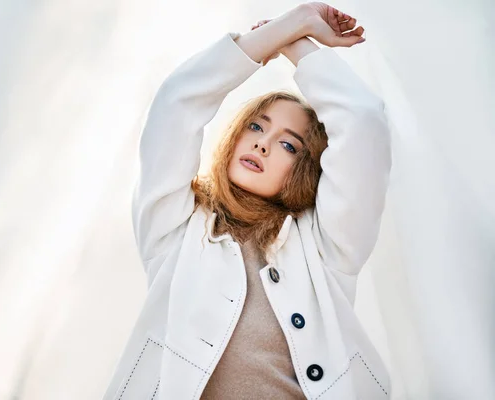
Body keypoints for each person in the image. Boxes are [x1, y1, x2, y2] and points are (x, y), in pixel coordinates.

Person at [104, 2, 392, 399]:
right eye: (256, 125)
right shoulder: (174, 230)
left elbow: (362, 123)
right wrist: (285, 28)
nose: (263, 142)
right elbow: (176, 104)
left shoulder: (327, 247)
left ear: (305, 168)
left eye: (289, 145)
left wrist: (299, 48)